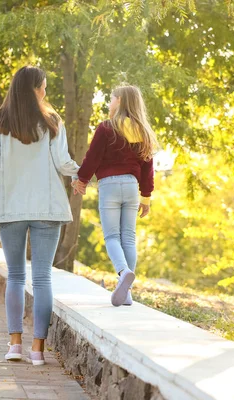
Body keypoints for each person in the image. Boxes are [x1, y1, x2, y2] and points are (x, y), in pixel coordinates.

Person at [0, 66, 80, 366]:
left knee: (15, 276)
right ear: (35, 88)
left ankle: (14, 345)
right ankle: (37, 350)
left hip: (10, 209)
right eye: (44, 87)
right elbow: (64, 163)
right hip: (47, 208)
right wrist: (87, 175)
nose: (46, 92)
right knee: (42, 278)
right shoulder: (52, 122)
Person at [73, 85, 158, 307]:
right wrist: (146, 197)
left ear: (119, 101)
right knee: (128, 237)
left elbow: (92, 158)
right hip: (131, 186)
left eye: (111, 99)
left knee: (112, 237)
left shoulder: (106, 128)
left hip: (109, 186)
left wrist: (81, 180)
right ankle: (126, 293)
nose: (109, 103)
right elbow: (148, 169)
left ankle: (122, 272)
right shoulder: (143, 132)